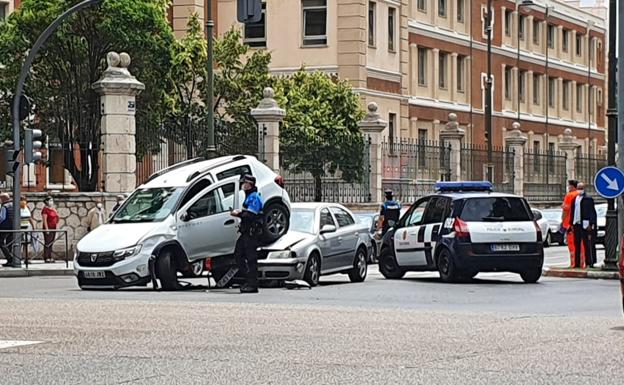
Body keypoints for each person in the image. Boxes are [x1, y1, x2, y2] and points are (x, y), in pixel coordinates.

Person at [230, 174, 264, 293]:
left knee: (251, 259)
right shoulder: (249, 196)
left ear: (250, 185)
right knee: (238, 255)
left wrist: (238, 214)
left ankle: (252, 284)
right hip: (245, 233)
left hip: (251, 234)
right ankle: (248, 279)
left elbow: (251, 215)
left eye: (244, 183)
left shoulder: (254, 197)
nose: (242, 185)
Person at [570, 183, 597, 269]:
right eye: (578, 188)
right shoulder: (574, 199)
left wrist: (591, 224)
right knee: (576, 244)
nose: (579, 190)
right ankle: (577, 263)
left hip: (585, 225)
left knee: (587, 244)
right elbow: (572, 212)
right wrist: (571, 223)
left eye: (581, 188)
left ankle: (589, 262)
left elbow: (592, 213)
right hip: (576, 224)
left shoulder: (588, 199)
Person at [561, 180, 585, 268]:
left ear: (572, 187)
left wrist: (562, 221)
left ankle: (573, 263)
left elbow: (565, 211)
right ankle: (582, 263)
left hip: (569, 224)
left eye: (569, 186)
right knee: (582, 245)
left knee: (572, 245)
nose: (568, 187)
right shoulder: (581, 195)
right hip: (581, 224)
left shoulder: (569, 195)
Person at [0, 193, 17, 267]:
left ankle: (10, 258)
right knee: (9, 243)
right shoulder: (14, 204)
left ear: (3, 199)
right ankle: (10, 260)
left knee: (1, 243)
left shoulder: (4, 206)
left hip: (4, 227)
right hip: (13, 227)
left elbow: (2, 217)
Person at [41, 196, 59, 263]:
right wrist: (46, 229)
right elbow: (44, 220)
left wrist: (55, 211)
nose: (51, 202)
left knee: (51, 242)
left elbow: (57, 217)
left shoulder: (52, 209)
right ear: (46, 201)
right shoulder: (45, 210)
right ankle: (46, 257)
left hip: (53, 227)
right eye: (50, 200)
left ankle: (50, 255)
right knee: (47, 242)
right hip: (48, 227)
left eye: (52, 200)